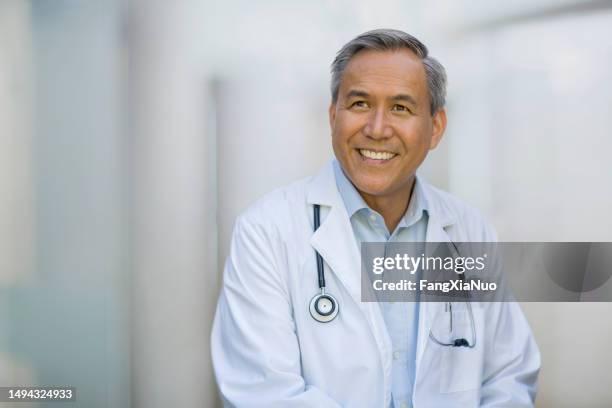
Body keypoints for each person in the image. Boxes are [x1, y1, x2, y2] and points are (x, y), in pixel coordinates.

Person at [211, 29, 540, 407]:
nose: (377, 129)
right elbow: (263, 393)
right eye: (360, 104)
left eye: (401, 108)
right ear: (333, 115)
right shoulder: (266, 231)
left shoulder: (468, 228)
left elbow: (509, 375)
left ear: (435, 127)